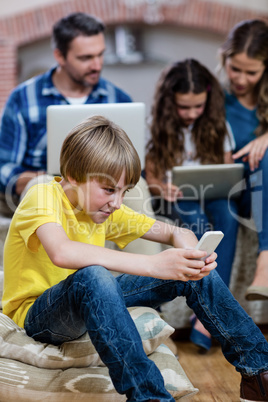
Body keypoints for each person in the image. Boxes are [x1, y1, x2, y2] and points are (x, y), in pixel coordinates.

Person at [2, 115, 268, 402]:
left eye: (124, 191)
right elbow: (63, 251)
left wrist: (191, 254)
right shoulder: (42, 196)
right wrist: (154, 264)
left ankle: (259, 373)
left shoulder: (103, 210)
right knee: (95, 274)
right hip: (39, 315)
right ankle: (148, 396)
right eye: (108, 190)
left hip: (89, 299)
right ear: (73, 176)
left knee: (189, 272)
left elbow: (174, 233)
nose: (117, 202)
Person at [145, 59, 239, 351]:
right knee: (194, 216)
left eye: (198, 106)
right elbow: (151, 179)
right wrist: (164, 188)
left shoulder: (217, 125)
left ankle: (207, 311)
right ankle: (211, 311)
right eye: (183, 107)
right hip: (177, 197)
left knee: (228, 213)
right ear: (168, 101)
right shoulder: (154, 127)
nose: (191, 113)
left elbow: (228, 172)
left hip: (213, 194)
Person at [0, 12, 132, 210]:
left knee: (140, 191)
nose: (97, 65)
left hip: (103, 185)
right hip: (45, 182)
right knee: (42, 187)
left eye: (100, 54)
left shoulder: (118, 99)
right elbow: (4, 166)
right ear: (60, 56)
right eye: (86, 58)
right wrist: (39, 178)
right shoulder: (23, 98)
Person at [219, 19, 268, 301]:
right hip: (238, 192)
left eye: (251, 72)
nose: (240, 79)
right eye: (234, 68)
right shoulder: (216, 99)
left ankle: (266, 261)